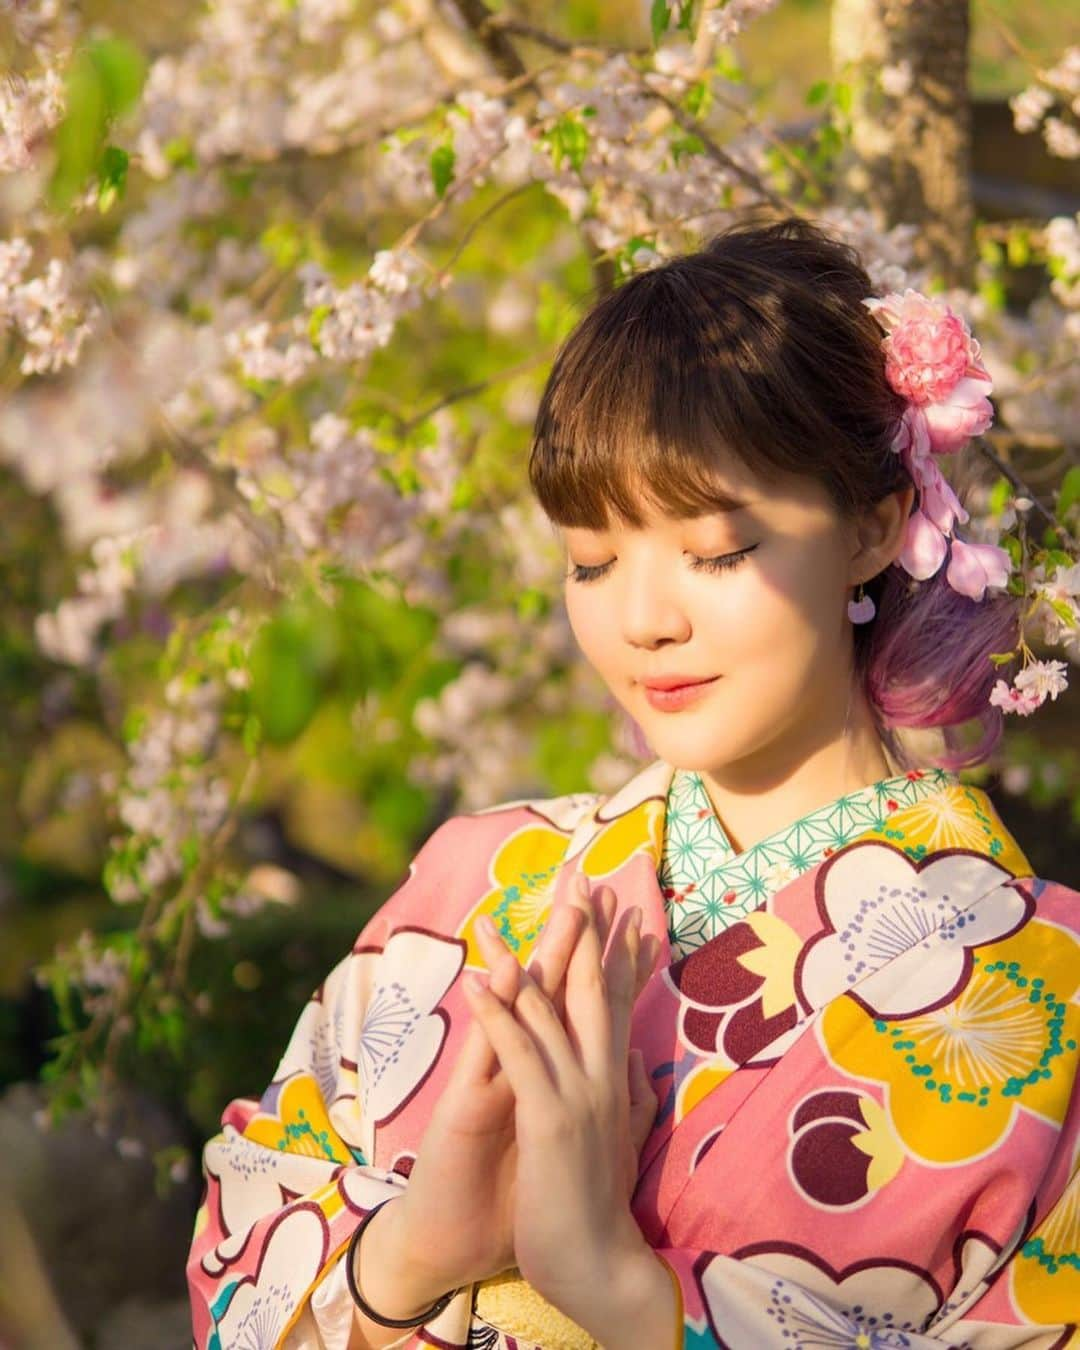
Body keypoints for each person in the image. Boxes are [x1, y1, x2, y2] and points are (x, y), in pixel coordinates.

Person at [186, 216, 1080, 1349]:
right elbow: (234, 1253)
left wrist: (621, 1295)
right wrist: (414, 1251)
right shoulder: (472, 882)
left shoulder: (1045, 988)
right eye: (591, 563)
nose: (644, 623)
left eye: (716, 551)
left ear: (871, 526)